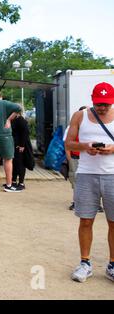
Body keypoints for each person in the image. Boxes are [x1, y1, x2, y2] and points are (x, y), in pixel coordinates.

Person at [65, 82, 114, 283]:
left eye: (107, 104)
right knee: (85, 220)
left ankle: (112, 264)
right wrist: (85, 146)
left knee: (113, 222)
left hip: (112, 174)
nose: (103, 108)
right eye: (99, 103)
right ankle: (85, 263)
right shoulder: (80, 116)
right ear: (92, 99)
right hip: (86, 174)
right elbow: (68, 143)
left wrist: (112, 149)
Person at [11, 109, 30, 191]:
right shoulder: (15, 119)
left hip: (20, 146)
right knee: (15, 164)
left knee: (20, 164)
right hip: (16, 145)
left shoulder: (20, 120)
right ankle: (14, 181)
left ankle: (21, 183)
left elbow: (25, 132)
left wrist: (22, 145)